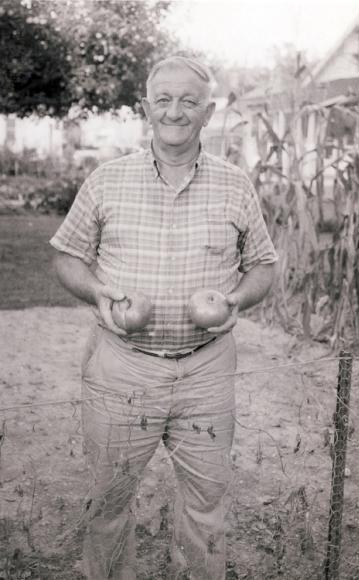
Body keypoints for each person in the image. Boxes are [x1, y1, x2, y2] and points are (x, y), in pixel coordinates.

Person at [50, 55, 278, 580]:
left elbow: (263, 265)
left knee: (206, 505)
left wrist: (238, 300)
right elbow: (66, 256)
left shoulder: (235, 184)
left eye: (190, 101)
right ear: (146, 108)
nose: (175, 112)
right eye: (164, 100)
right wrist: (96, 291)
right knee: (108, 503)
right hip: (122, 367)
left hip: (206, 371)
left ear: (209, 112)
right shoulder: (107, 181)